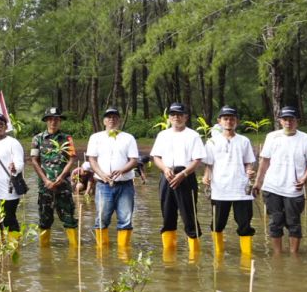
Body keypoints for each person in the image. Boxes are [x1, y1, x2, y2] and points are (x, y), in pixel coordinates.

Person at [252, 106, 307, 255]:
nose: (288, 122)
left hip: (294, 189)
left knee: (294, 223)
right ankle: (277, 255)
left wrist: (304, 178)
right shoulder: (272, 136)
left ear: (297, 121)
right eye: (285, 119)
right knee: (275, 222)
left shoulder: (306, 139)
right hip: (272, 187)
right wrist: (258, 182)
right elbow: (265, 161)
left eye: (291, 119)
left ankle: (294, 255)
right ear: (280, 121)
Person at [151, 103, 205, 260]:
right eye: (173, 114)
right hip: (166, 176)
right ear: (169, 117)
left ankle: (195, 256)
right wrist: (165, 169)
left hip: (186, 176)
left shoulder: (193, 135)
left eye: (180, 114)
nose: (176, 117)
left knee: (189, 215)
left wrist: (183, 174)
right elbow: (156, 157)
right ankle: (168, 256)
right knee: (167, 214)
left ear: (185, 117)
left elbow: (197, 159)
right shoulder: (163, 135)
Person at [201, 107, 257, 260]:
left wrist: (250, 172)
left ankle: (246, 258)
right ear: (219, 121)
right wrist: (206, 177)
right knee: (217, 223)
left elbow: (248, 163)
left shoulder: (244, 140)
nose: (228, 121)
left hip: (241, 190)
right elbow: (209, 164)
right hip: (219, 189)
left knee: (245, 224)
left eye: (232, 118)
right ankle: (218, 256)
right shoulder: (212, 141)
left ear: (236, 121)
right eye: (225, 118)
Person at [85, 107, 138, 255]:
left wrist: (122, 170)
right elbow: (92, 159)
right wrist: (101, 174)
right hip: (103, 185)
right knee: (101, 219)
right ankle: (102, 253)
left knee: (126, 219)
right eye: (108, 117)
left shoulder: (128, 138)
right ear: (103, 121)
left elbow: (134, 160)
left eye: (115, 117)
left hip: (125, 184)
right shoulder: (95, 137)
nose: (111, 120)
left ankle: (124, 253)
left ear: (119, 120)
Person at [30, 107, 77, 249]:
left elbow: (71, 159)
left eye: (56, 119)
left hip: (63, 186)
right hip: (45, 187)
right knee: (44, 219)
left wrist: (62, 177)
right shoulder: (37, 138)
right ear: (46, 121)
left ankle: (74, 251)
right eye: (50, 119)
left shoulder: (67, 138)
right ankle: (44, 253)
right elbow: (34, 160)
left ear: (60, 121)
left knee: (69, 218)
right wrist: (45, 180)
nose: (53, 122)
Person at [0, 113, 25, 249]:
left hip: (9, 190)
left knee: (9, 220)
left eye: (0, 124)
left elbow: (20, 162)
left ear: (6, 127)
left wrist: (15, 167)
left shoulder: (13, 143)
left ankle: (14, 249)